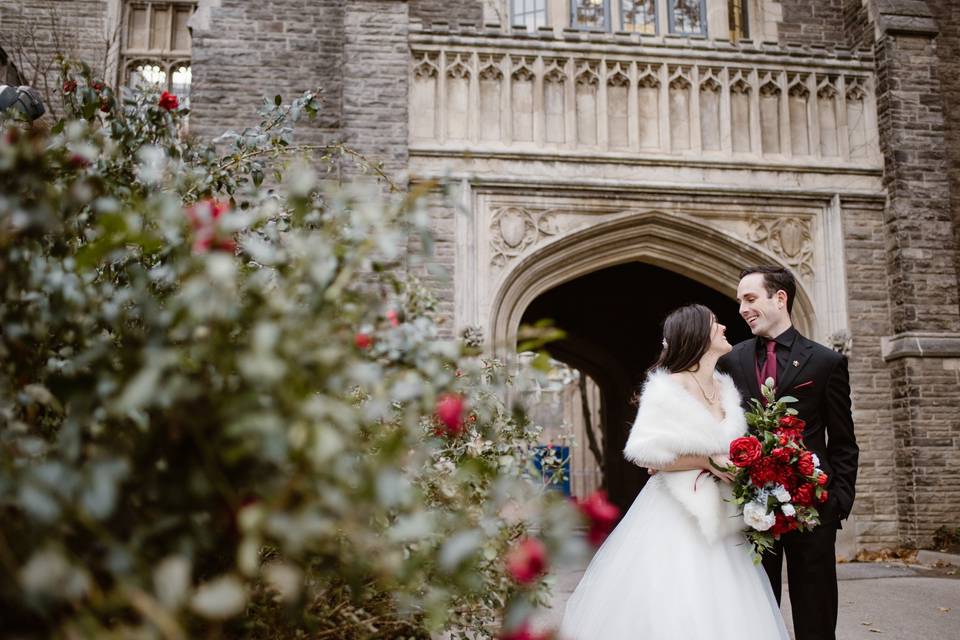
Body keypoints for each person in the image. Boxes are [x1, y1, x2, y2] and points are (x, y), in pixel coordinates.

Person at [559, 304, 788, 640]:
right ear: (698, 336)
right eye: (715, 324)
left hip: (723, 517)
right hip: (677, 515)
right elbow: (644, 453)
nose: (724, 327)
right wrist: (707, 461)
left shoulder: (726, 387)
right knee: (678, 603)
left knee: (728, 607)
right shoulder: (666, 388)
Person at [718, 265, 858, 640]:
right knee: (757, 610)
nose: (743, 309)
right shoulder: (731, 360)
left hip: (812, 507)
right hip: (752, 508)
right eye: (739, 302)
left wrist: (838, 500)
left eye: (750, 299)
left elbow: (843, 441)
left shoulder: (826, 362)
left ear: (780, 298)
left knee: (815, 608)